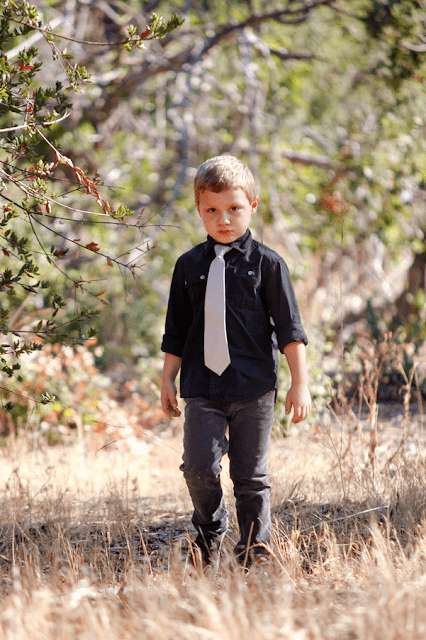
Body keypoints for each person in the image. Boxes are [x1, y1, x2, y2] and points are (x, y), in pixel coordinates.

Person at [160, 155, 311, 570]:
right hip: (202, 387)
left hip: (253, 387)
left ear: (253, 206)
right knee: (198, 465)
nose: (223, 219)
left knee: (251, 477)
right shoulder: (188, 265)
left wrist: (301, 382)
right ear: (199, 210)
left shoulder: (269, 264)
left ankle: (254, 551)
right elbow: (176, 329)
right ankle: (209, 530)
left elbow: (290, 329)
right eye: (212, 210)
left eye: (234, 209)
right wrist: (167, 379)